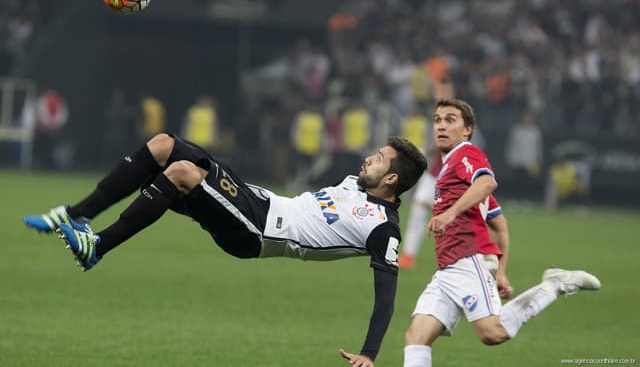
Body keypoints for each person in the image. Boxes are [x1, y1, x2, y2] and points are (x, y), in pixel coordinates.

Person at [23, 132, 428, 367]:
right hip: (258, 200)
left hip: (257, 230)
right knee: (165, 146)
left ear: (391, 178)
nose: (367, 159)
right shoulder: (355, 184)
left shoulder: (383, 228)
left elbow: (385, 296)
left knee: (182, 173)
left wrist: (369, 353)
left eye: (377, 159)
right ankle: (77, 216)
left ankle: (97, 247)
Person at [402, 99, 601, 367]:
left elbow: (487, 182)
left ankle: (554, 285)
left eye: (450, 120)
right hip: (448, 268)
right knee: (416, 337)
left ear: (467, 130)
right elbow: (499, 224)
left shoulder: (466, 154)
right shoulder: (451, 168)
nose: (440, 125)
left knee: (492, 333)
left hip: (467, 260)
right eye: (437, 119)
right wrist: (502, 271)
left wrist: (449, 213)